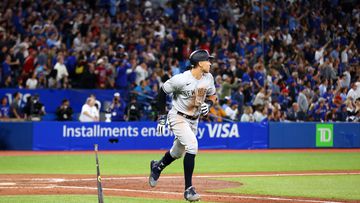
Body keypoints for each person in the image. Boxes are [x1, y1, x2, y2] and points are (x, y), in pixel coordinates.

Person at [149, 49, 217, 202]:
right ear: (199, 63)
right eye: (207, 60)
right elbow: (162, 92)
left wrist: (209, 103)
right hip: (178, 117)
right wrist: (161, 118)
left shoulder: (209, 78)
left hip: (194, 119)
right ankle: (189, 190)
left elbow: (213, 95)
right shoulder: (181, 79)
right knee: (192, 146)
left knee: (177, 153)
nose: (210, 63)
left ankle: (157, 166)